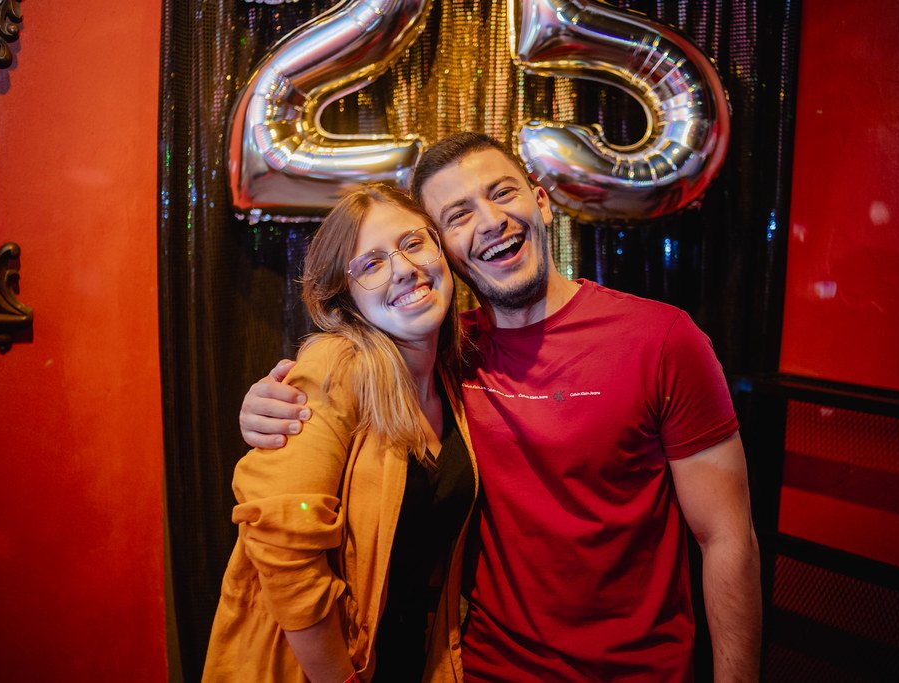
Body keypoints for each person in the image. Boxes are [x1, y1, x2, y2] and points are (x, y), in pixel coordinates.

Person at [240, 133, 762, 682]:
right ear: (444, 246)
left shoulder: (663, 339)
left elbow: (726, 536)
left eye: (503, 192)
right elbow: (321, 422)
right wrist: (265, 405)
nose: (489, 220)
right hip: (483, 670)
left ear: (541, 202)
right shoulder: (447, 357)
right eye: (459, 214)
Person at [204, 184, 479, 682]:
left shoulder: (452, 380)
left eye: (413, 243)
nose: (402, 268)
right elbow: (284, 546)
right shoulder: (338, 367)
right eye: (370, 265)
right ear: (345, 298)